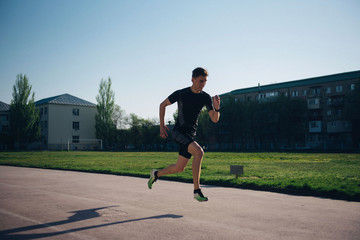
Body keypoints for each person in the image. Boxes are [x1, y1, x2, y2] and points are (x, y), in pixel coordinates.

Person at [148, 67, 220, 202]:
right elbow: (162, 105)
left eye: (205, 82)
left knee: (179, 168)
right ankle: (196, 191)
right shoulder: (181, 93)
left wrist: (217, 108)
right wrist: (162, 126)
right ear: (192, 79)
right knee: (199, 152)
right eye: (200, 81)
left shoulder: (205, 97)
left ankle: (156, 174)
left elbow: (215, 119)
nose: (203, 84)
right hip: (178, 132)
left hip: (190, 135)